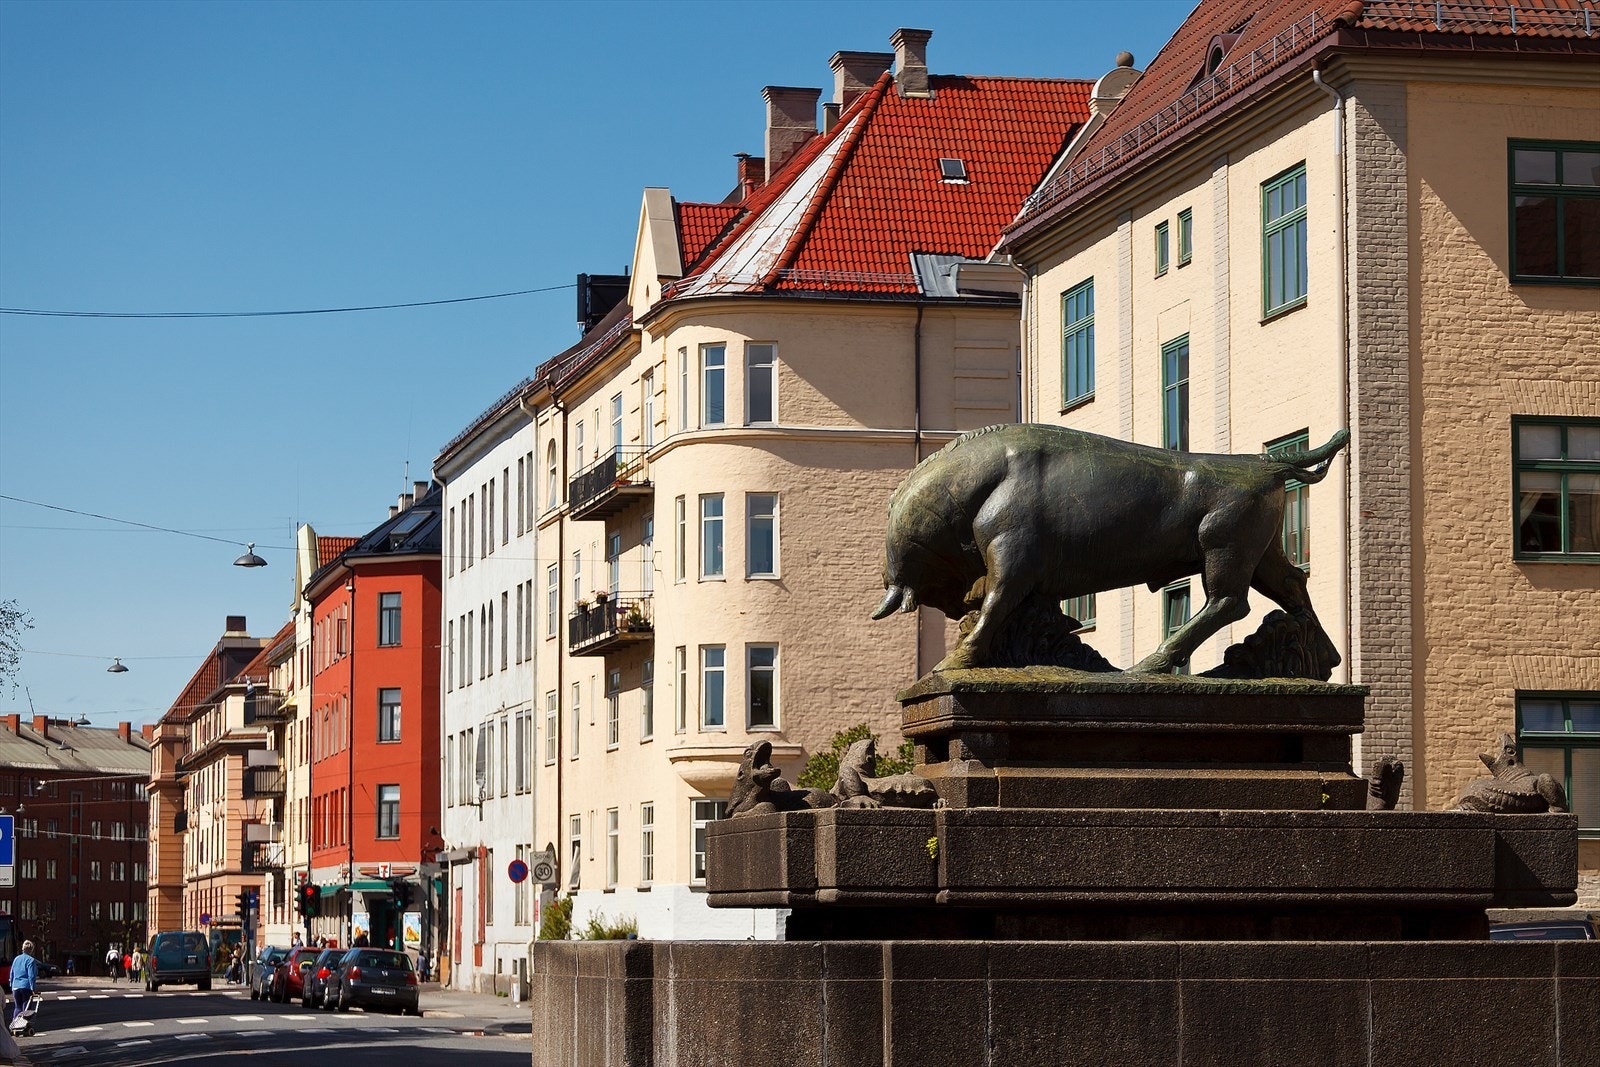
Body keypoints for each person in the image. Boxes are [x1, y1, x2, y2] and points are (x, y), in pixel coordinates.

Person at [10, 940, 39, 1032]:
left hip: (15, 986)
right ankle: (24, 1026)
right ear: (31, 950)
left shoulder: (16, 959)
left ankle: (15, 1025)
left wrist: (12, 985)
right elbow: (31, 976)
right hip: (26, 986)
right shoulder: (31, 960)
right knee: (26, 1008)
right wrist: (33, 989)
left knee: (17, 1007)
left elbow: (12, 973)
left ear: (23, 948)